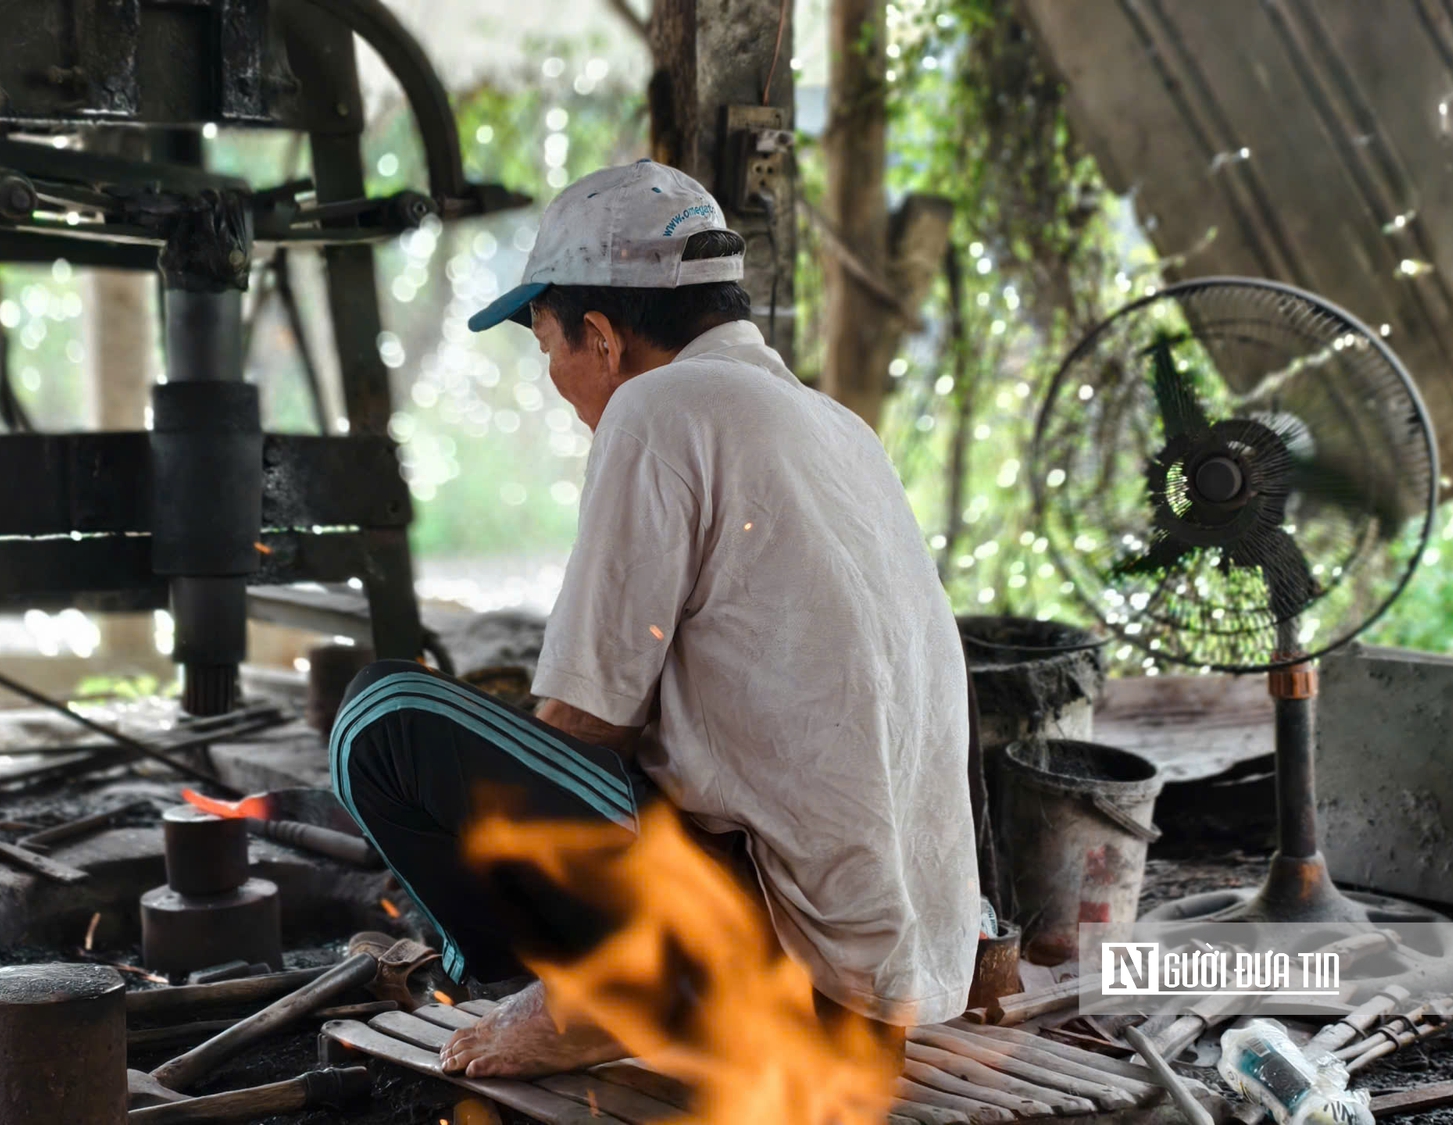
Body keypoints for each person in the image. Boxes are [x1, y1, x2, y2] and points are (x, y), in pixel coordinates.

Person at [326, 160, 977, 1078]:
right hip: (891, 990)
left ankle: (595, 996)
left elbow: (584, 722)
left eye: (548, 343)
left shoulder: (657, 407)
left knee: (381, 717)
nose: (556, 377)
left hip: (782, 980)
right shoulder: (835, 426)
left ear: (601, 336)